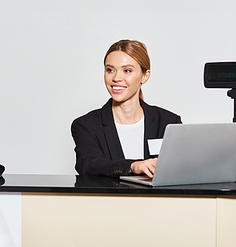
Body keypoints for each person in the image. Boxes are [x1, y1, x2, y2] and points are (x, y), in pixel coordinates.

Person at [71, 39, 181, 177]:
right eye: (110, 70)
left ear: (145, 76)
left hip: (157, 199)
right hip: (109, 199)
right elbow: (89, 164)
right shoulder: (86, 125)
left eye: (127, 70)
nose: (117, 78)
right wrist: (132, 166)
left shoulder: (168, 122)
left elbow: (180, 169)